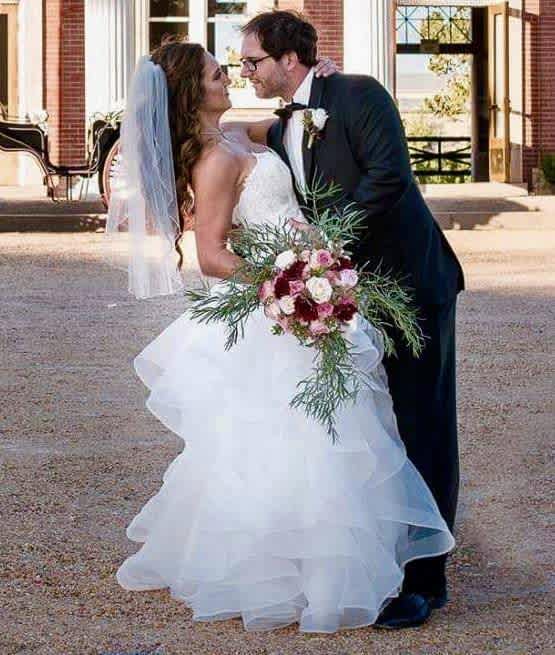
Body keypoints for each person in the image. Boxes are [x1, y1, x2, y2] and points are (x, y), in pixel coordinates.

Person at [107, 37, 454, 635]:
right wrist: (287, 286)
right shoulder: (217, 161)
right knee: (300, 442)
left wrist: (324, 89)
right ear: (193, 91)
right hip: (284, 305)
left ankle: (376, 566)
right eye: (218, 73)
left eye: (243, 64)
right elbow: (211, 255)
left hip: (316, 289)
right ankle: (308, 573)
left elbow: (291, 121)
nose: (231, 75)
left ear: (287, 60)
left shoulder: (238, 135)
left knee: (342, 434)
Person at [240, 10, 465, 628]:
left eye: (253, 61)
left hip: (413, 286)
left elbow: (389, 178)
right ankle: (384, 553)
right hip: (349, 295)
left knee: (423, 424)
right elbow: (233, 135)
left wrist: (326, 241)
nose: (245, 72)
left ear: (290, 59)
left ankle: (426, 583)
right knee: (370, 426)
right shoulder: (284, 123)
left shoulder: (360, 94)